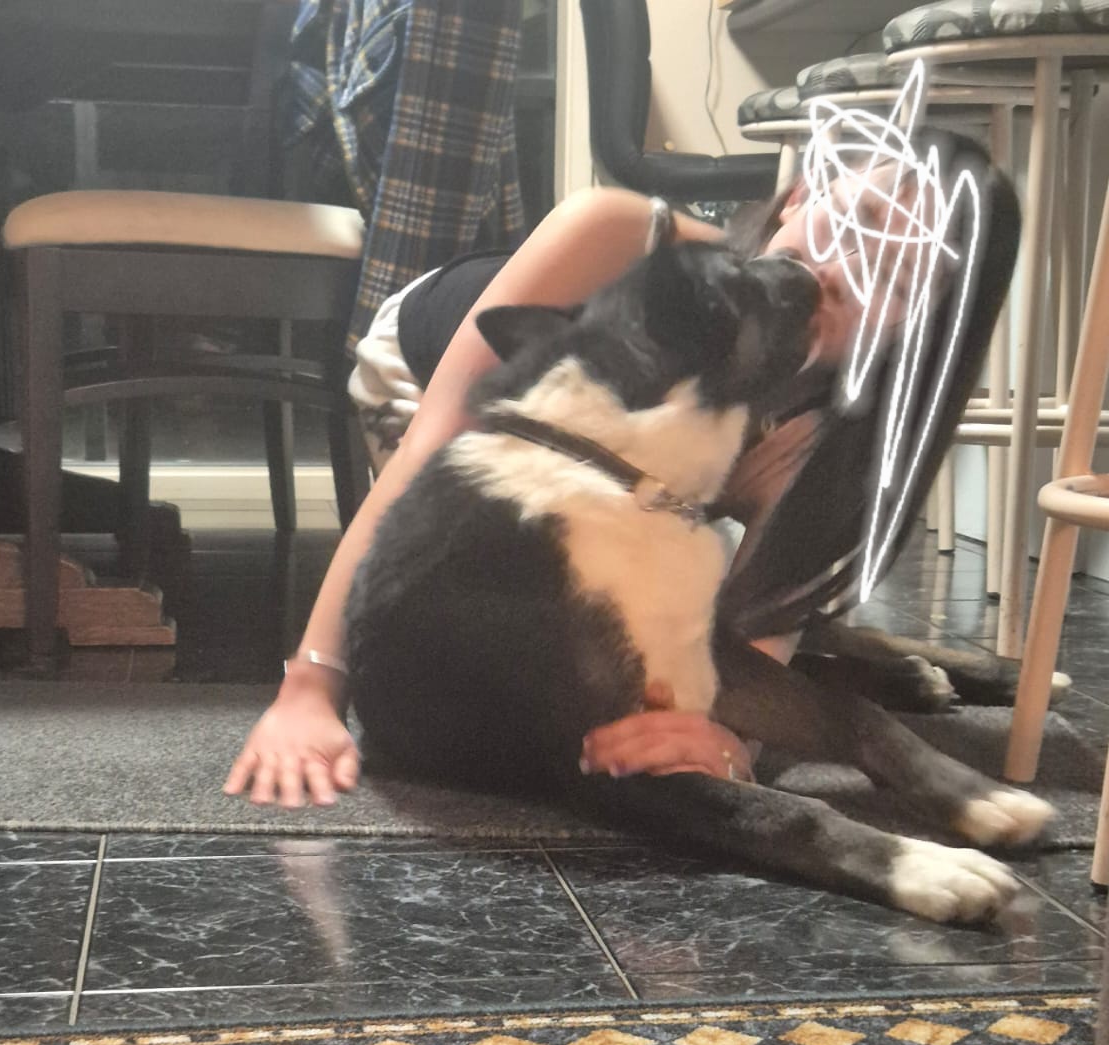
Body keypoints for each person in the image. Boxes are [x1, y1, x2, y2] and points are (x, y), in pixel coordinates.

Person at [223, 164, 965, 810]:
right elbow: (429, 457)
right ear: (801, 195)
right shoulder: (621, 231)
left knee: (639, 655)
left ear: (911, 331)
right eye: (857, 220)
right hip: (444, 384)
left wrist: (723, 743)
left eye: (893, 280)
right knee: (533, 645)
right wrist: (312, 688)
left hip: (638, 487)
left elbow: (750, 639)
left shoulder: (833, 440)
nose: (844, 270)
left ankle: (852, 654)